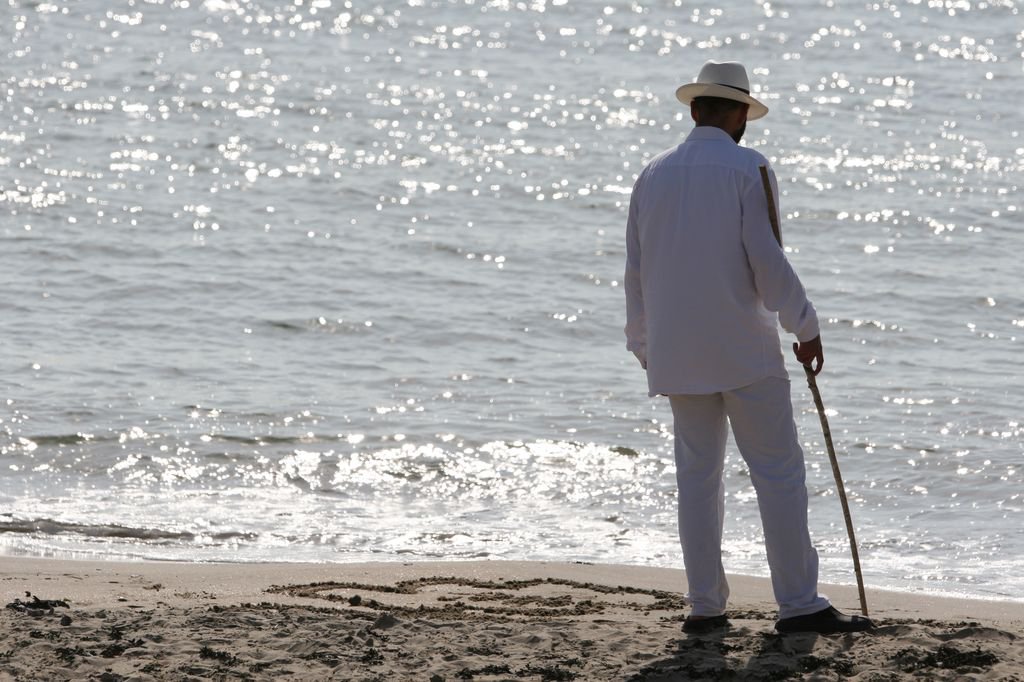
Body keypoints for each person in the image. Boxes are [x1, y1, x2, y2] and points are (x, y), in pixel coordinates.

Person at [623, 60, 873, 635]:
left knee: (697, 477)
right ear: (738, 113)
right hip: (743, 349)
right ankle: (799, 602)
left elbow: (635, 272)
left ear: (694, 111)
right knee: (778, 472)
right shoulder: (748, 166)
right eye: (744, 112)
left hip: (677, 351)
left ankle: (705, 607)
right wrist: (803, 324)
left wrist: (644, 344)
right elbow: (766, 258)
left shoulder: (651, 174)